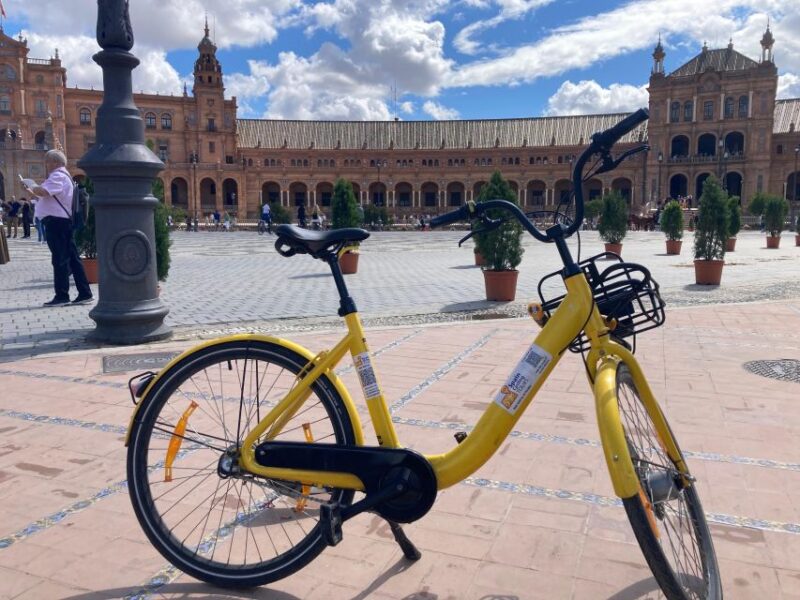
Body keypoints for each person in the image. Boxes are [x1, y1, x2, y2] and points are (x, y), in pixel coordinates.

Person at [23, 150, 93, 306]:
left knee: (60, 259)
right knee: (73, 259)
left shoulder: (58, 176)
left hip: (57, 223)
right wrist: (34, 193)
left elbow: (44, 191)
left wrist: (32, 185)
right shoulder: (64, 176)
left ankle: (62, 296)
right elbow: (48, 197)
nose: (46, 165)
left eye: (47, 162)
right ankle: (84, 293)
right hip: (62, 222)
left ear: (55, 162)